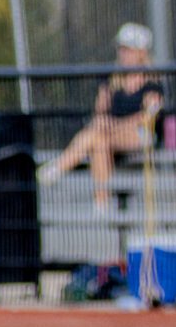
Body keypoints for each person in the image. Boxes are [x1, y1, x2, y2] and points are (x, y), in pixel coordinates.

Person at [37, 22, 163, 209]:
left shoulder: (152, 83)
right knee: (99, 141)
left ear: (141, 52)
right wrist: (103, 114)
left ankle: (58, 167)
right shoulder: (112, 80)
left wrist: (114, 124)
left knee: (100, 134)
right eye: (121, 49)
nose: (122, 54)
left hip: (140, 135)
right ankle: (102, 204)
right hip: (108, 135)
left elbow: (147, 118)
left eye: (127, 49)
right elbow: (100, 113)